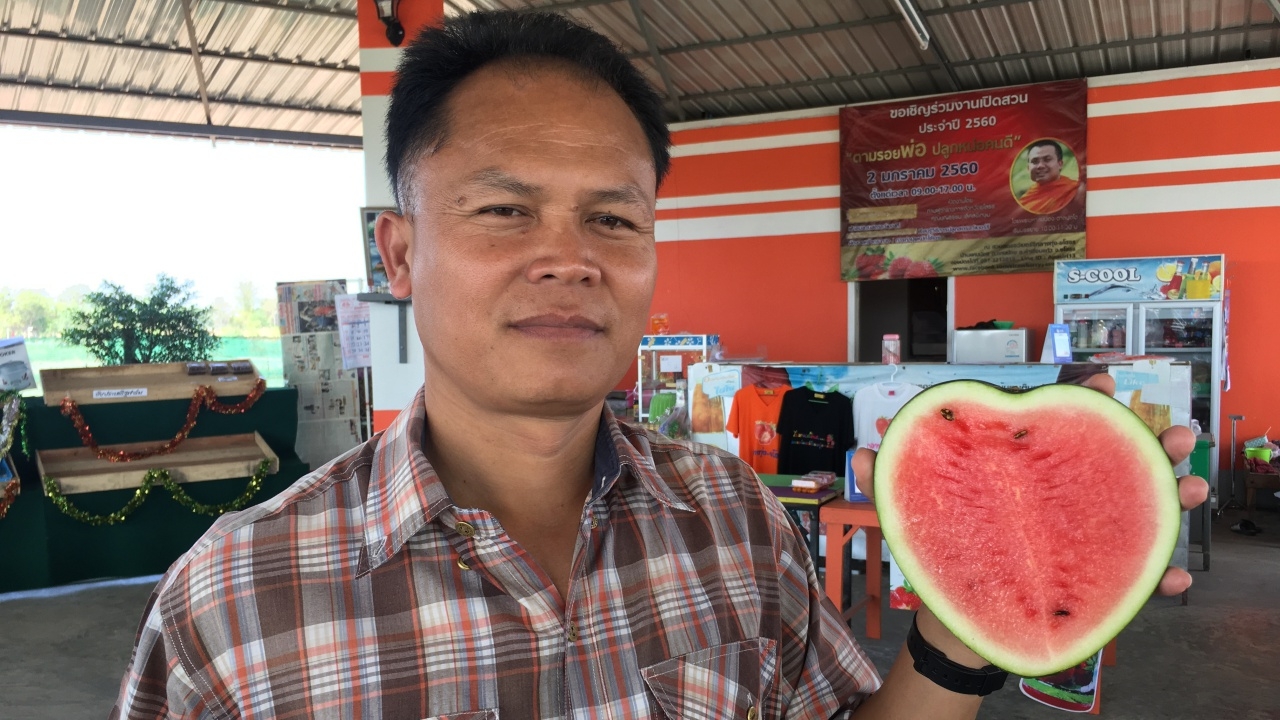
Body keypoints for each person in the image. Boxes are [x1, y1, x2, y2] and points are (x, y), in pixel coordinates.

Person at [111, 10, 1206, 719]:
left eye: (613, 219)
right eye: (503, 211)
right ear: (398, 255)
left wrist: (956, 639)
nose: (569, 260)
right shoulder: (230, 601)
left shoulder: (736, 518)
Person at [1016, 139, 1083, 214]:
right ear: (1028, 168)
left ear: (1060, 164)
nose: (1040, 166)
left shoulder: (1074, 191)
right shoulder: (1025, 200)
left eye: (1047, 159)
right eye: (1035, 161)